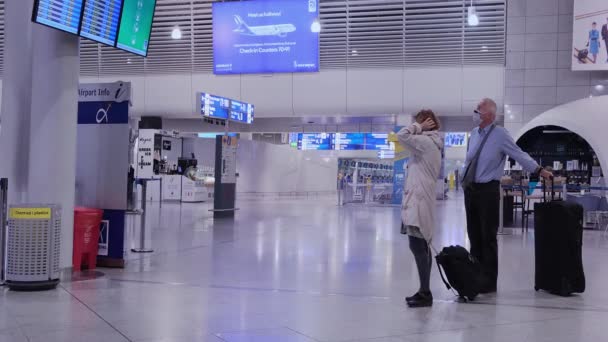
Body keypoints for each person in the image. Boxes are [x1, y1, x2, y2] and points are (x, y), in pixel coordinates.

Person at [462, 98, 553, 294]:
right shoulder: (474, 134)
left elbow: (519, 154)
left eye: (479, 110)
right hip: (471, 190)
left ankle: (488, 281)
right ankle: (475, 275)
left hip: (488, 191)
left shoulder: (500, 134)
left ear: (490, 116)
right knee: (474, 236)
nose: (475, 113)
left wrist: (539, 170)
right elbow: (469, 160)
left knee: (488, 237)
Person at [397, 109, 443, 308]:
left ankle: (425, 292)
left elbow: (402, 135)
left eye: (418, 123)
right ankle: (424, 291)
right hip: (418, 200)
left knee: (418, 247)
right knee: (421, 247)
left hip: (418, 202)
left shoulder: (425, 142)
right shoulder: (430, 144)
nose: (416, 127)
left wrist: (418, 127)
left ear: (426, 123)